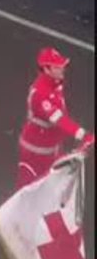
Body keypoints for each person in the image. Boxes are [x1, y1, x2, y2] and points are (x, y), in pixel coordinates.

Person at [16, 47, 93, 188]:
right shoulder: (41, 94)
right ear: (46, 69)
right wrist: (83, 135)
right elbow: (60, 120)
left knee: (53, 190)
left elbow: (63, 116)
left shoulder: (56, 85)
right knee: (30, 190)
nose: (62, 69)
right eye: (57, 67)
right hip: (35, 153)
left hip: (51, 149)